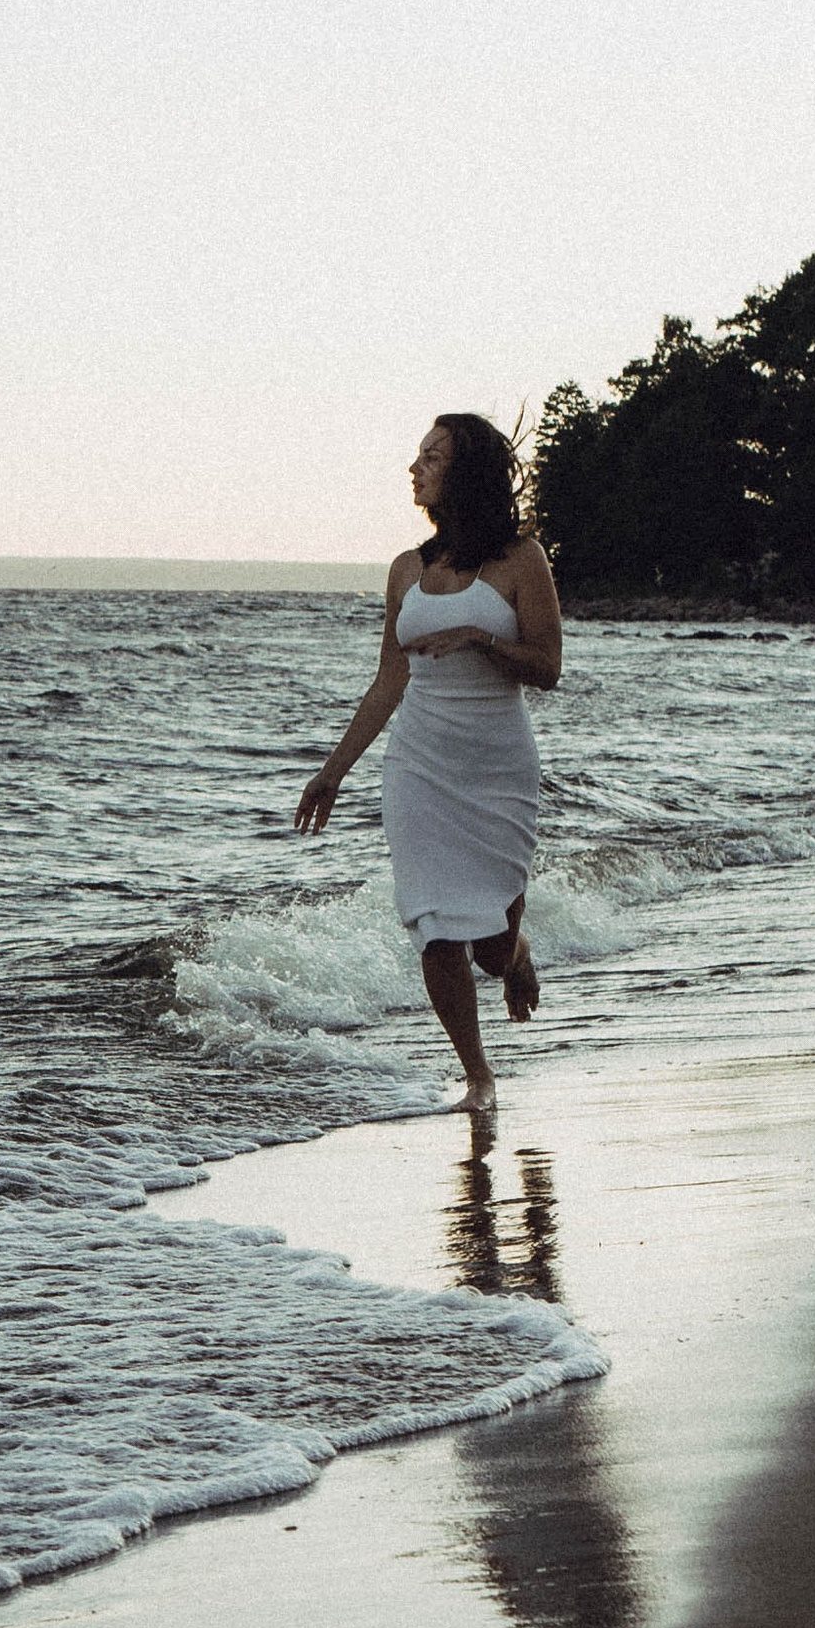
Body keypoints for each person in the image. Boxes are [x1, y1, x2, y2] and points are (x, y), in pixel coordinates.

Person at [294, 414, 562, 1110]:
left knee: (491, 947)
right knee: (436, 927)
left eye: (432, 457)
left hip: (497, 769)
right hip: (417, 767)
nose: (415, 468)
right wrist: (334, 770)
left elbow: (548, 666)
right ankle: (479, 1076)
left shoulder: (521, 561)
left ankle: (518, 954)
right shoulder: (405, 572)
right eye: (417, 456)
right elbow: (389, 679)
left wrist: (481, 638)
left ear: (466, 471)